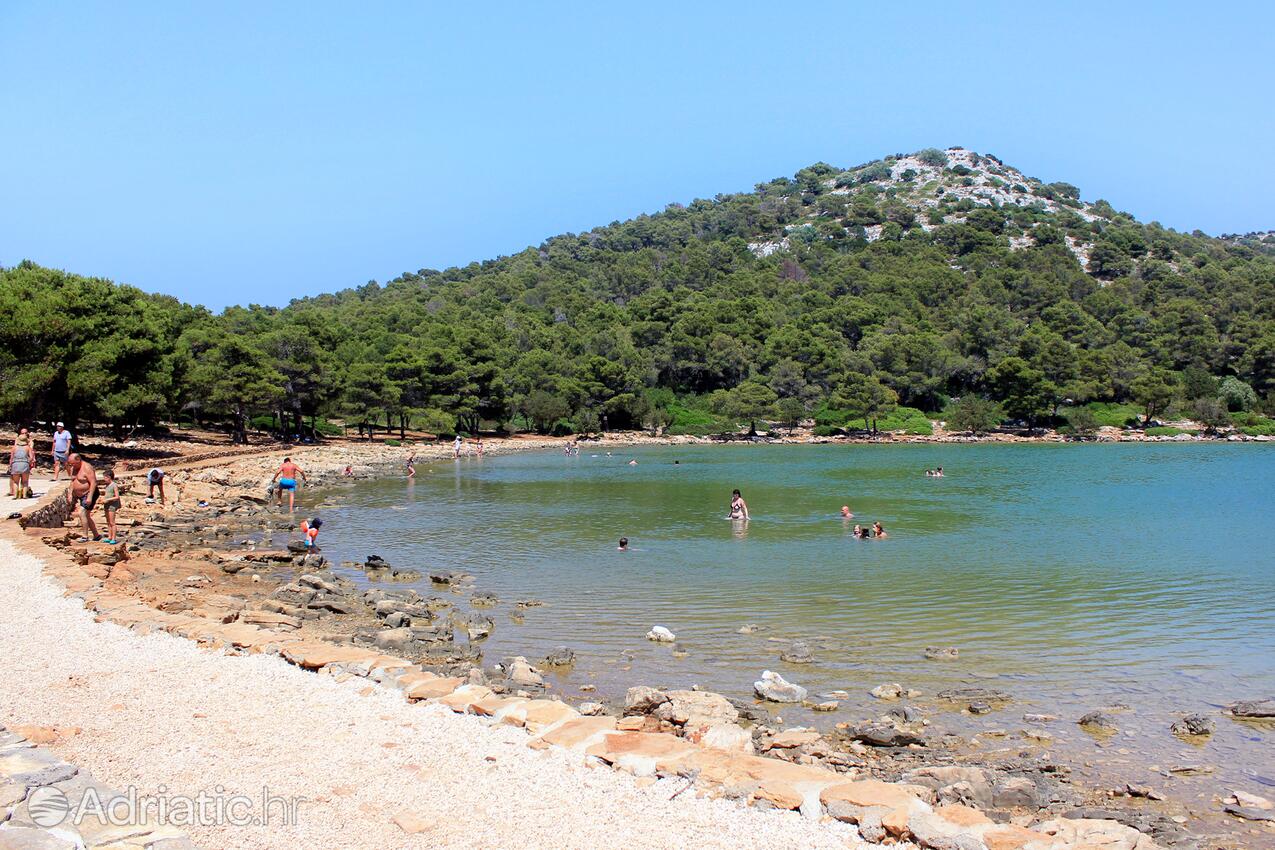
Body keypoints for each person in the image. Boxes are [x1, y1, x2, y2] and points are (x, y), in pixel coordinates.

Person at [65, 454, 100, 541]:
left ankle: (85, 536)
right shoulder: (74, 468)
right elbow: (73, 481)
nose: (71, 466)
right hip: (81, 495)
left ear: (78, 460)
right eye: (70, 464)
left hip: (89, 493)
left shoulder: (87, 468)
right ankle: (96, 535)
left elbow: (93, 483)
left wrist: (90, 497)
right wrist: (70, 494)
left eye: (73, 464)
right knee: (86, 516)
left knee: (82, 512)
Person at [9, 430, 35, 498]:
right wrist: (28, 462)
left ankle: (15, 495)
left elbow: (11, 458)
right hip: (24, 464)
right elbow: (31, 457)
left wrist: (10, 465)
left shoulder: (14, 448)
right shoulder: (27, 447)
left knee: (15, 482)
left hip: (15, 464)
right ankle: (24, 495)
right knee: (25, 481)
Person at [100, 469, 122, 545]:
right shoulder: (107, 485)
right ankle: (109, 536)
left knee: (112, 522)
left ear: (109, 477)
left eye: (105, 477)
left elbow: (117, 497)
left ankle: (114, 538)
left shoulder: (114, 485)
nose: (104, 479)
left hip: (112, 505)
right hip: (106, 504)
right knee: (108, 522)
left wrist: (108, 499)